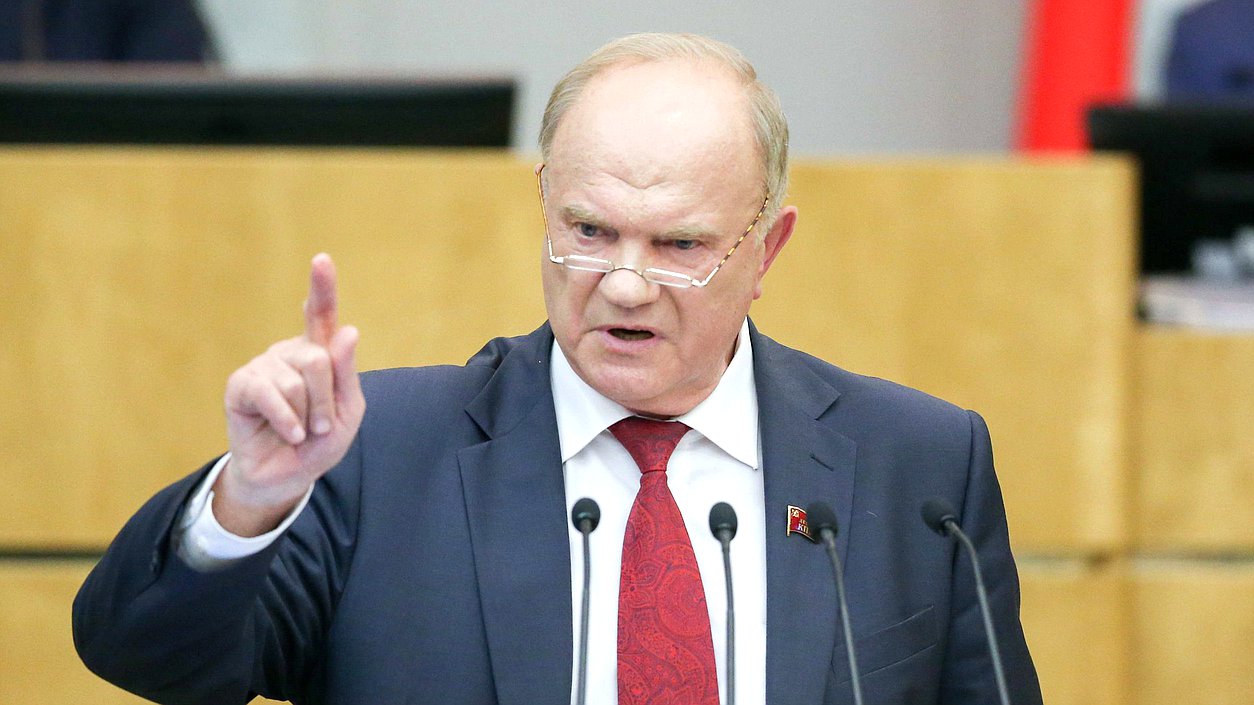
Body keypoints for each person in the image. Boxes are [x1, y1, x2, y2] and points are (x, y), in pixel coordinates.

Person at [73, 33, 1042, 705]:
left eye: (678, 245)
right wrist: (247, 501)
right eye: (588, 231)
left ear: (766, 250)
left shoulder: (918, 466)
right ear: (545, 205)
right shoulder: (379, 453)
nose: (623, 285)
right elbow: (150, 661)